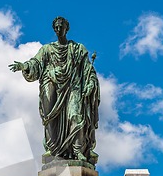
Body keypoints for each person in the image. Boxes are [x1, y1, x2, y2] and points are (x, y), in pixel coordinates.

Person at [9, 17, 100, 164]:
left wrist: (90, 83)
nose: (58, 30)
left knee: (76, 116)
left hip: (73, 86)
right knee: (50, 117)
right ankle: (53, 149)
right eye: (56, 28)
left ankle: (78, 150)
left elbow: (88, 70)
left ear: (67, 28)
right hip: (50, 83)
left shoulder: (78, 49)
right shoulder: (47, 49)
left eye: (61, 27)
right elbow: (36, 63)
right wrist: (24, 66)